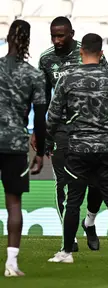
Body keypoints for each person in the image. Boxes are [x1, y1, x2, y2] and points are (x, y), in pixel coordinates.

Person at [46, 33, 108, 264]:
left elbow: (53, 115)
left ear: (81, 52)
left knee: (74, 200)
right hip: (107, 148)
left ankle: (66, 252)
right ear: (101, 53)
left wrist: (47, 142)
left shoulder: (68, 79)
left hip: (78, 148)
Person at [34, 16, 108, 252]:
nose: (57, 40)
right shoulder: (46, 59)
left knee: (97, 182)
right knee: (62, 182)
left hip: (90, 127)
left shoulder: (87, 53)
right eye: (53, 36)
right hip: (60, 130)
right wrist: (39, 131)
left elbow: (107, 86)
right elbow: (42, 98)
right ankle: (70, 237)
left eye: (61, 36)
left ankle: (89, 221)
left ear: (72, 33)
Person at [0, 20, 46, 277]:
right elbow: (40, 118)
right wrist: (40, 152)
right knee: (14, 204)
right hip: (16, 145)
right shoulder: (34, 75)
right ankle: (11, 264)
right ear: (28, 41)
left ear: (7, 39)